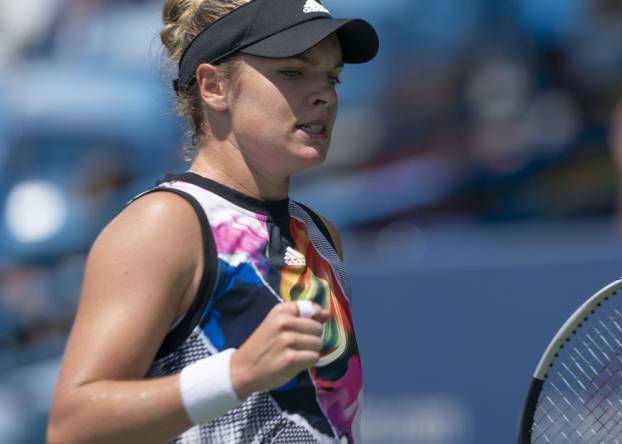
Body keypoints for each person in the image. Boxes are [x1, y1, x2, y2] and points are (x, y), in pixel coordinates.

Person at [47, 0, 378, 442]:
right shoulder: (165, 224)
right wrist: (236, 374)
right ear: (214, 86)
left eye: (332, 77)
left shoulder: (320, 234)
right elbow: (73, 427)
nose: (326, 95)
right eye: (294, 73)